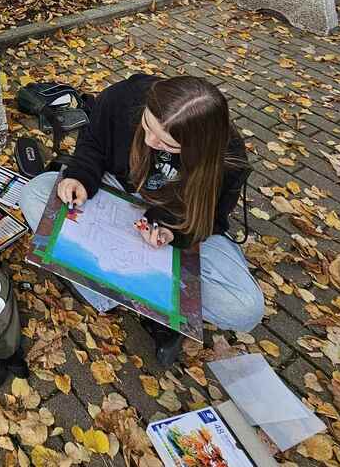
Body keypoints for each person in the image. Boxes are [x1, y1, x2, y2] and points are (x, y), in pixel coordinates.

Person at [17, 74, 264, 366]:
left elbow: (211, 220)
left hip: (175, 217)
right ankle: (145, 300)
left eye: (167, 144)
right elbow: (93, 144)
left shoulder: (227, 158)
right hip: (117, 190)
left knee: (245, 307)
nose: (149, 141)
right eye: (147, 125)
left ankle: (120, 289)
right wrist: (80, 177)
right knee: (35, 192)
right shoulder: (124, 96)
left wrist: (173, 231)